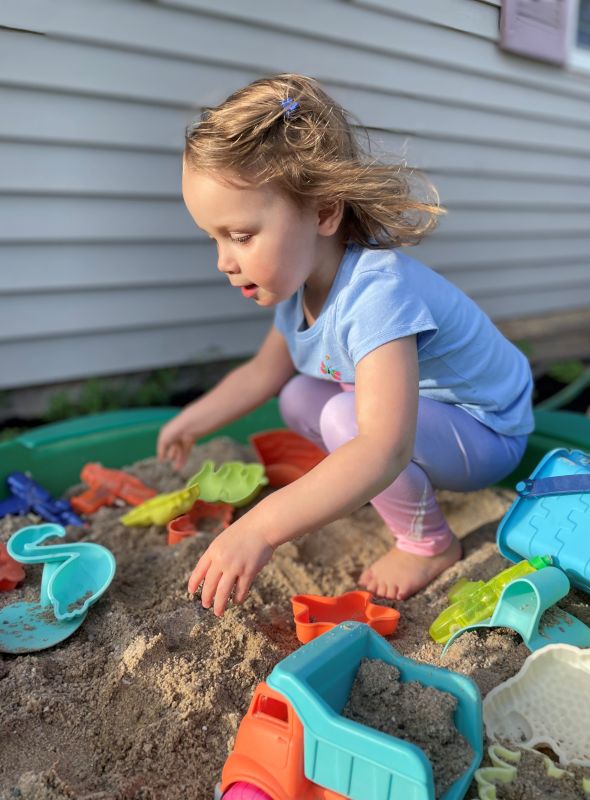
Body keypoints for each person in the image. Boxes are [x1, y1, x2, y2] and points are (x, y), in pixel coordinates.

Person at [157, 73, 534, 617]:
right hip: (433, 428)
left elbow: (383, 446)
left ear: (324, 212)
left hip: (488, 431)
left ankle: (429, 544)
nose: (224, 259)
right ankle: (363, 487)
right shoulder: (296, 286)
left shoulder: (376, 294)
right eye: (213, 237)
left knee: (346, 421)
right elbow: (263, 374)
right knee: (297, 398)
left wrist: (261, 528)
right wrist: (192, 421)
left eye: (241, 236)